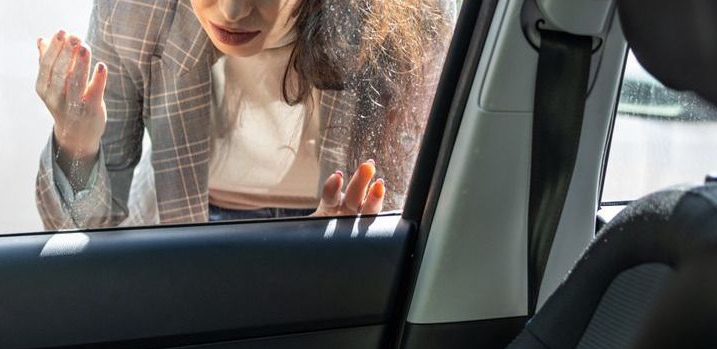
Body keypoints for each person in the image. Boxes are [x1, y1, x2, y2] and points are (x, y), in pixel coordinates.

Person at [35, 0, 452, 228]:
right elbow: (84, 234)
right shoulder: (135, 10)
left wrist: (347, 243)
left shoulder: (406, 17)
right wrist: (75, 142)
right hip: (181, 234)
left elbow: (421, 208)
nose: (232, 12)